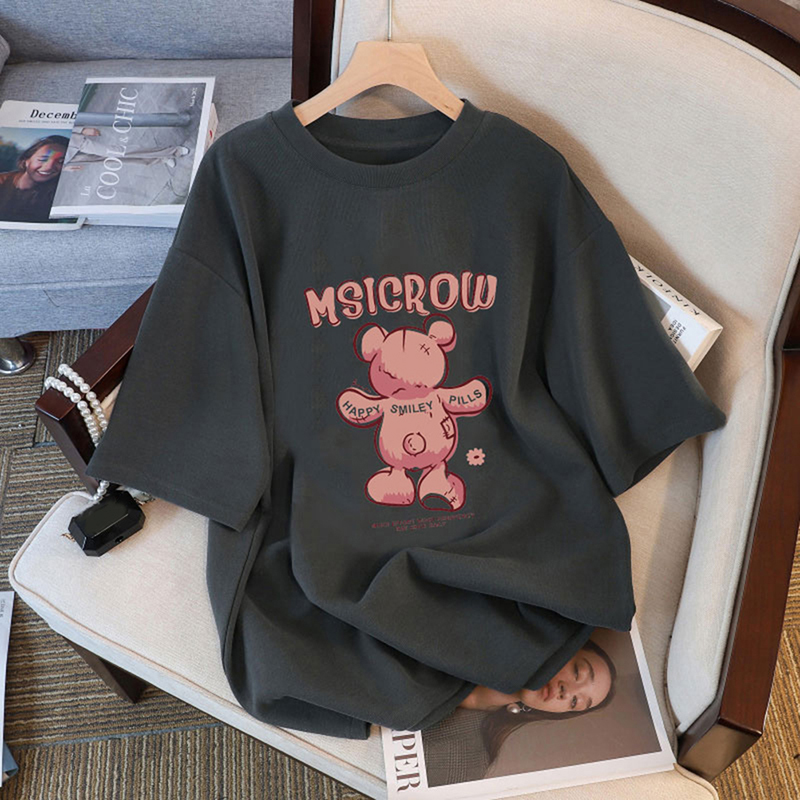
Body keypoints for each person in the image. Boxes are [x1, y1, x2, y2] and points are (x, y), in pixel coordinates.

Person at [423, 640, 617, 786]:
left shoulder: (468, 762)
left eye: (574, 702)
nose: (566, 692)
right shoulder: (470, 637)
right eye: (577, 672)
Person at [0, 135, 69, 222]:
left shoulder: (60, 194)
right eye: (43, 159)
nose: (49, 167)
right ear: (26, 161)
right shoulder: (2, 182)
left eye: (61, 162)